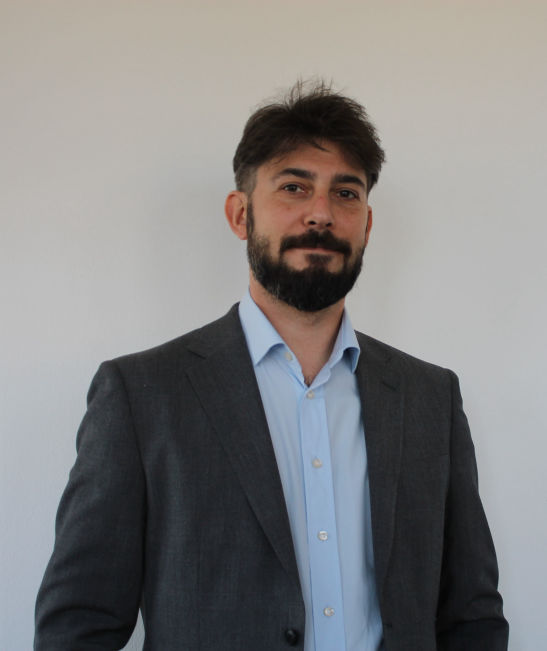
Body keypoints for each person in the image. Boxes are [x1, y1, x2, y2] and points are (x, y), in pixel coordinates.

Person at [35, 81, 508, 651]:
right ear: (241, 214)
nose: (321, 214)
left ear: (367, 224)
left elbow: (472, 615)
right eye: (293, 187)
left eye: (346, 193)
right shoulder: (141, 396)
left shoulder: (430, 397)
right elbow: (77, 626)